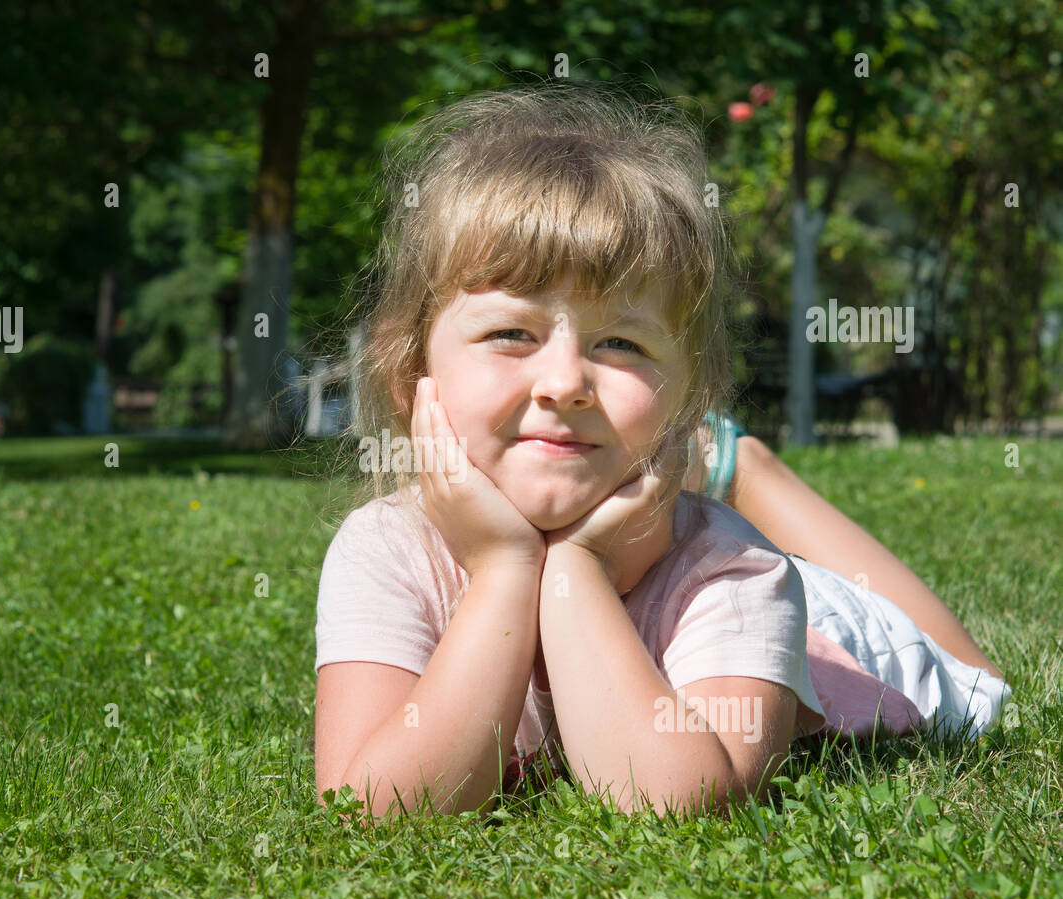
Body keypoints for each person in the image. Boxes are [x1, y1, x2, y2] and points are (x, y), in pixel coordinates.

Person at [313, 83, 1011, 822]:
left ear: (688, 397)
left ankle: (744, 468)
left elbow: (679, 802)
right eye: (509, 334)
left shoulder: (733, 572)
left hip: (833, 634)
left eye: (620, 343)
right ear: (410, 375)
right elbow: (371, 808)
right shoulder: (387, 548)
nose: (564, 383)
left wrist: (573, 569)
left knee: (979, 686)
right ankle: (734, 462)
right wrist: (505, 569)